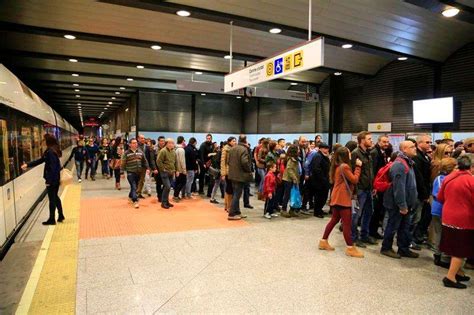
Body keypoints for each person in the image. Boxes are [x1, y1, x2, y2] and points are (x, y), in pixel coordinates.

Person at [437, 154, 474, 289]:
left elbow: (440, 197)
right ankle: (450, 278)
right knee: (460, 250)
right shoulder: (471, 181)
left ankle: (458, 272)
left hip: (448, 217)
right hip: (464, 220)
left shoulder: (449, 177)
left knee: (453, 247)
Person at [319, 147, 363, 257]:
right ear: (345, 155)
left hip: (337, 197)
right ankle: (350, 248)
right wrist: (358, 167)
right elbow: (354, 180)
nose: (350, 154)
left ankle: (323, 241)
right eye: (349, 153)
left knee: (334, 220)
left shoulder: (338, 166)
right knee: (346, 224)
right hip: (343, 199)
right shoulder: (345, 166)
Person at [380, 141, 419, 259]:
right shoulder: (400, 165)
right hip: (397, 204)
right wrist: (402, 205)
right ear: (404, 150)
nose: (415, 148)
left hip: (406, 203)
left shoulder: (408, 163)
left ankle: (403, 248)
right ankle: (386, 247)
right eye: (412, 147)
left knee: (404, 227)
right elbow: (399, 187)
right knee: (393, 226)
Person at [21, 134, 64, 225]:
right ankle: (60, 215)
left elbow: (52, 168)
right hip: (55, 179)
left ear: (47, 141)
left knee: (52, 199)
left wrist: (49, 181)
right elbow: (41, 160)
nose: (42, 141)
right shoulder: (51, 151)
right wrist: (28, 165)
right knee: (55, 197)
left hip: (52, 180)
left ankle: (52, 219)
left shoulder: (50, 152)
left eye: (43, 140)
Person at [430, 157, 457, 268]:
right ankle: (438, 255)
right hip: (440, 209)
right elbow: (440, 194)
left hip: (446, 209)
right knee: (439, 233)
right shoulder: (441, 178)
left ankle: (443, 255)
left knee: (444, 234)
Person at [351, 131, 376, 247]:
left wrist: (373, 186)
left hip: (368, 188)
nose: (371, 141)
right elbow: (352, 172)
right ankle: (353, 238)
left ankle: (364, 235)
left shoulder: (368, 153)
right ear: (362, 140)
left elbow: (370, 171)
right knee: (356, 214)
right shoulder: (356, 153)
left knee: (369, 212)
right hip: (359, 189)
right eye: (369, 139)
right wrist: (354, 191)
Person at [412, 134, 433, 247]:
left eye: (430, 142)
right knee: (416, 217)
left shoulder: (425, 156)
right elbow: (419, 178)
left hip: (424, 191)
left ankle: (416, 237)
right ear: (419, 143)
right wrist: (424, 194)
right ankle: (411, 239)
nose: (429, 144)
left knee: (421, 216)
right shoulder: (417, 157)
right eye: (427, 142)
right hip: (419, 193)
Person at [227, 135, 253, 220]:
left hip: (232, 175)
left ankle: (237, 212)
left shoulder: (232, 148)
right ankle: (231, 214)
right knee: (237, 195)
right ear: (245, 140)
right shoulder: (244, 149)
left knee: (235, 194)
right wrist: (249, 170)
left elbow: (228, 161)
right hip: (240, 175)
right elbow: (244, 162)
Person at [370, 135, 391, 239]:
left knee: (379, 210)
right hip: (376, 186)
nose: (386, 144)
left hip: (381, 185)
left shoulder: (384, 153)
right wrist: (374, 187)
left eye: (387, 142)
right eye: (384, 142)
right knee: (375, 210)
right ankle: (371, 231)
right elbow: (373, 170)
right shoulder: (375, 153)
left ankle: (373, 230)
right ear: (378, 142)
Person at [121, 138, 149, 209]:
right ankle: (135, 200)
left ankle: (130, 196)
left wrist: (147, 168)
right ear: (130, 144)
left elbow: (144, 161)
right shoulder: (126, 153)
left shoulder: (140, 152)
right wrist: (122, 173)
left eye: (136, 143)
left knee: (135, 186)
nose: (135, 144)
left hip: (138, 172)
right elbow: (123, 163)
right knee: (133, 186)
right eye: (133, 143)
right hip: (130, 172)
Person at [311, 143, 331, 218]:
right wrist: (323, 179)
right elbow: (316, 169)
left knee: (323, 196)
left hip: (324, 180)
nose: (327, 150)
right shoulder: (318, 156)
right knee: (319, 197)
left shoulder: (324, 156)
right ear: (320, 148)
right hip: (319, 181)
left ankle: (320, 209)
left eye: (327, 148)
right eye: (325, 148)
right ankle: (317, 211)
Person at [157, 138, 178, 209]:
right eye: (171, 143)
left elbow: (176, 162)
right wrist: (163, 169)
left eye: (173, 143)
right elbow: (158, 161)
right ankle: (163, 203)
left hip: (171, 172)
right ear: (167, 143)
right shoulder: (163, 151)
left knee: (168, 188)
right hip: (165, 173)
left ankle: (167, 201)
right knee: (167, 187)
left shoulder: (174, 151)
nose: (172, 144)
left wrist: (177, 170)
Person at [281, 145, 300, 218]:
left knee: (293, 195)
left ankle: (292, 210)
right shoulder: (291, 159)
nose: (298, 151)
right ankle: (284, 210)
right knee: (287, 195)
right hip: (288, 179)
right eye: (297, 149)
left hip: (292, 179)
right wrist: (294, 178)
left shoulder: (295, 159)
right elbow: (289, 169)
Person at [221, 137, 237, 211]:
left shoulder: (234, 148)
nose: (235, 142)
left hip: (233, 171)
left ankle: (227, 205)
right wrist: (223, 174)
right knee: (229, 189)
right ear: (229, 142)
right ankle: (229, 207)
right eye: (233, 141)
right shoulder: (226, 149)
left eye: (235, 141)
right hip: (228, 172)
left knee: (229, 189)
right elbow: (223, 162)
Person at [173, 136, 187, 202]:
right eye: (184, 141)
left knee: (177, 182)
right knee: (183, 182)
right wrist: (184, 170)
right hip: (180, 170)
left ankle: (175, 195)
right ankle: (176, 195)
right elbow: (182, 161)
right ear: (182, 141)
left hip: (176, 169)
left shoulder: (175, 148)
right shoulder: (181, 149)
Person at [154, 136, 166, 202]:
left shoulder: (166, 148)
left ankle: (162, 195)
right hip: (157, 169)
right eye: (161, 141)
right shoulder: (154, 149)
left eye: (163, 141)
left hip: (165, 169)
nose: (162, 142)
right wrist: (154, 168)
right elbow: (153, 159)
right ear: (158, 141)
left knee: (166, 184)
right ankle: (159, 196)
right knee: (158, 184)